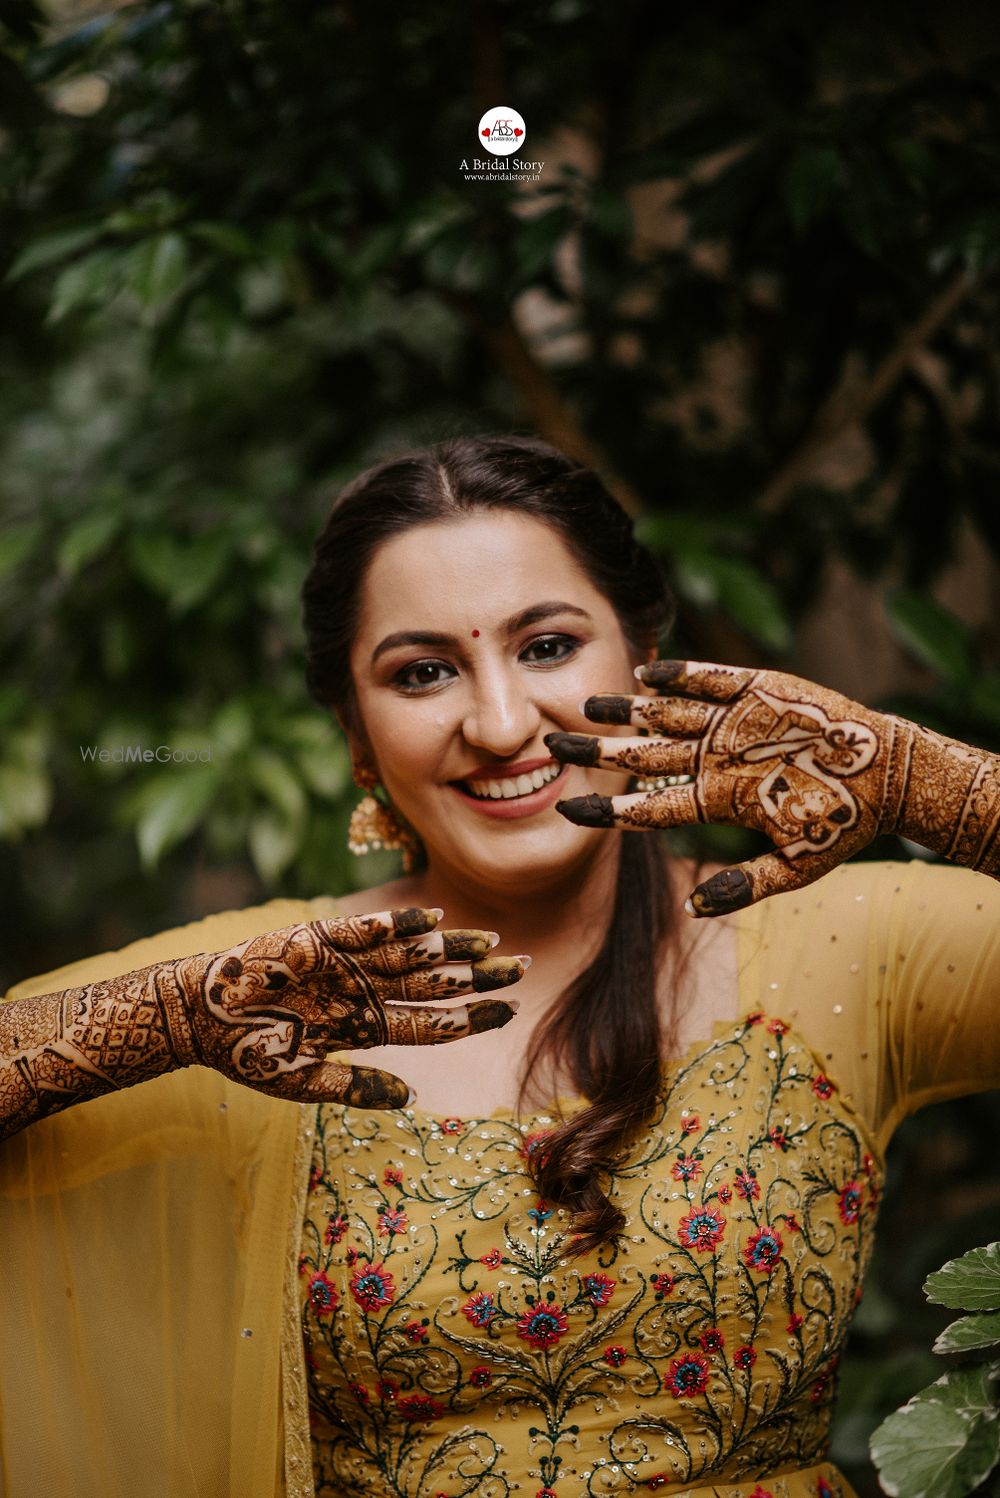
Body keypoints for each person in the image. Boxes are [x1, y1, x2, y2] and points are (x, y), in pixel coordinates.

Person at [1, 434, 998, 1498]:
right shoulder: (264, 994)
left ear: (642, 655)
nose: (501, 722)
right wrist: (162, 1022)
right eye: (422, 672)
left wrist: (921, 782)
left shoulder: (846, 943)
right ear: (354, 729)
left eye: (548, 646)